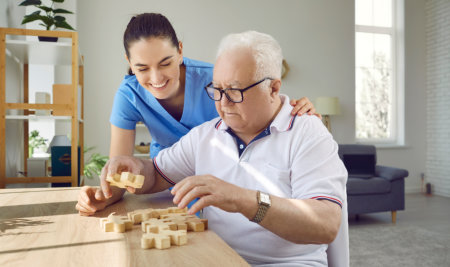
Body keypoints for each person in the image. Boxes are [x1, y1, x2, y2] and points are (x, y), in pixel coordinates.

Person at [77, 30, 347, 266]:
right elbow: (157, 174)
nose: (223, 103)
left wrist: (242, 200)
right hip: (213, 256)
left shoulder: (308, 133)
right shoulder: (206, 135)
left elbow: (324, 224)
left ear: (273, 88)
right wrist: (135, 168)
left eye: (235, 91)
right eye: (217, 89)